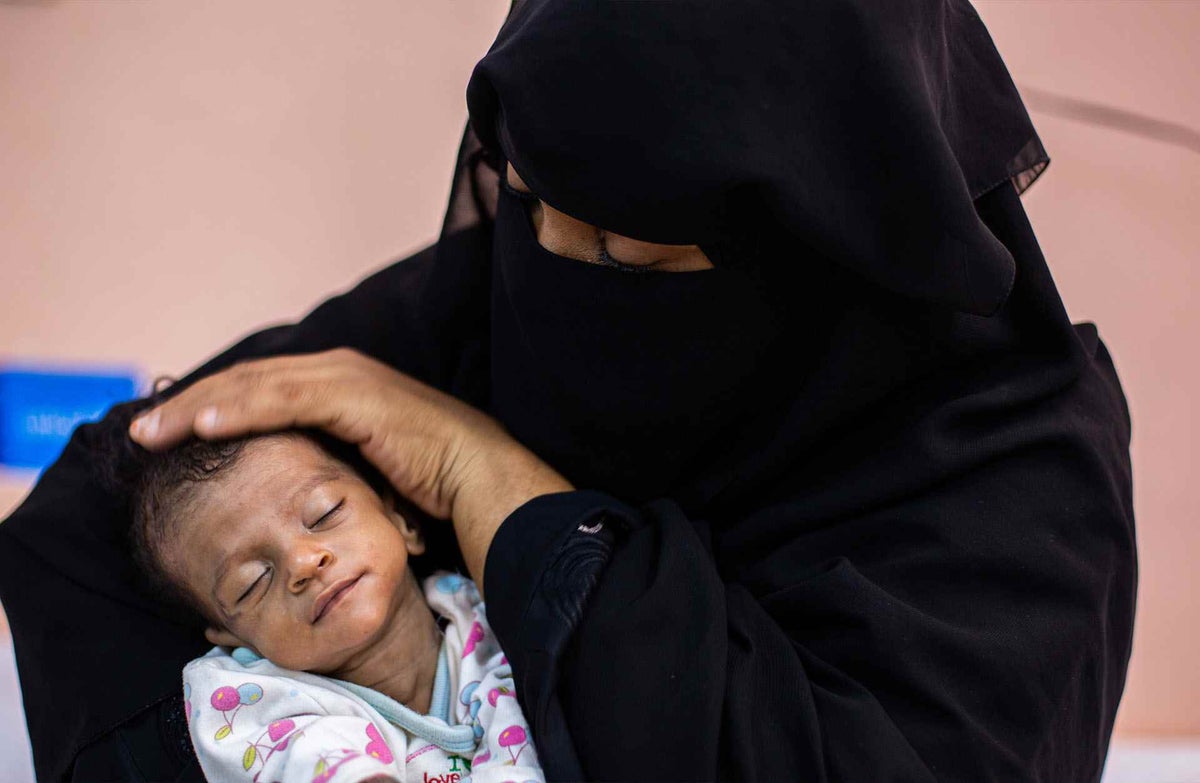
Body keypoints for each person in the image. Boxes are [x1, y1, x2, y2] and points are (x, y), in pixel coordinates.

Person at [0, 2, 1136, 782]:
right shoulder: (507, 282)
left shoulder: (1022, 484)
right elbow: (91, 521)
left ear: (817, 238)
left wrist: (479, 472)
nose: (552, 258)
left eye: (629, 250)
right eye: (535, 197)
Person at [112, 420, 542, 783]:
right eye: (253, 581)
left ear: (403, 521)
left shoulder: (496, 606)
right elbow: (302, 758)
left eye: (324, 514)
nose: (303, 563)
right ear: (229, 633)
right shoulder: (248, 703)